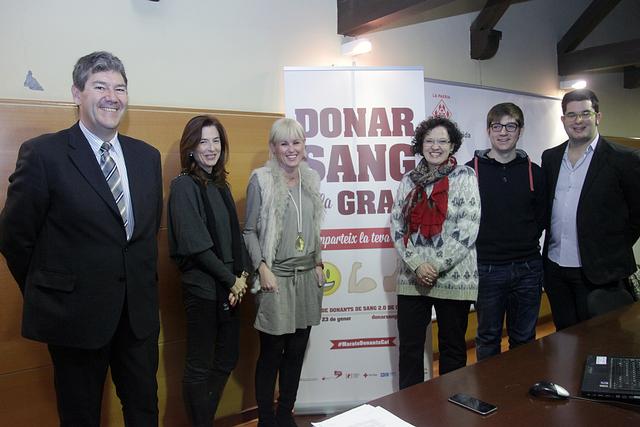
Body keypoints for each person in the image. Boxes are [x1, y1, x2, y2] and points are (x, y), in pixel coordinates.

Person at [0, 51, 163, 426]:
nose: (112, 97)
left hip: (136, 318)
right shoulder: (44, 154)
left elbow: (145, 232)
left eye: (120, 88)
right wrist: (50, 290)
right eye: (100, 86)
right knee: (80, 416)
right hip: (73, 318)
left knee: (144, 410)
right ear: (76, 93)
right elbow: (14, 236)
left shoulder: (146, 157)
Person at [167, 115, 249, 426]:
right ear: (190, 148)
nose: (211, 148)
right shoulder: (183, 186)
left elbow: (234, 236)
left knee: (227, 358)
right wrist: (231, 281)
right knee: (199, 366)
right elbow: (195, 244)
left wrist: (241, 277)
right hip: (203, 289)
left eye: (216, 141)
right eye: (203, 141)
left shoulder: (220, 185)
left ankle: (203, 420)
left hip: (229, 288)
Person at [243, 117, 325, 427]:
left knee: (297, 351)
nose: (291, 149)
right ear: (274, 148)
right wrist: (261, 267)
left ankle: (284, 414)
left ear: (304, 146)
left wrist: (318, 262)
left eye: (296, 142)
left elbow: (313, 227)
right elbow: (249, 231)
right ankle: (266, 420)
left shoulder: (311, 179)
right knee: (272, 352)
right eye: (284, 143)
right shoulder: (261, 180)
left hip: (306, 277)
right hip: (275, 277)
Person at [390, 116, 480, 389]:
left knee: (452, 348)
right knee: (410, 349)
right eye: (429, 141)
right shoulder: (408, 180)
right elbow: (397, 225)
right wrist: (418, 264)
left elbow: (468, 226)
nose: (435, 146)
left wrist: (435, 266)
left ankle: (451, 406)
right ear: (421, 145)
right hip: (412, 278)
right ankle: (410, 407)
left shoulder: (465, 176)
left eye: (442, 141)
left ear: (452, 145)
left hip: (454, 278)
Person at [541, 89, 639, 330]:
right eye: (571, 115)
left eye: (585, 113)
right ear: (563, 119)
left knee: (602, 340)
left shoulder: (624, 159)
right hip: (556, 270)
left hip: (600, 273)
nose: (578, 120)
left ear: (598, 117)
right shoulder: (551, 158)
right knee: (564, 338)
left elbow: (637, 215)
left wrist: (611, 248)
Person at [466, 103, 546, 361]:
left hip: (528, 269)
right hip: (487, 268)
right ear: (488, 130)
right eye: (497, 126)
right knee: (488, 338)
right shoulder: (469, 172)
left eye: (511, 126)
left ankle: (520, 386)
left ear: (520, 131)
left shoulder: (535, 172)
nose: (503, 132)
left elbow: (542, 216)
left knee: (524, 339)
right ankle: (490, 386)